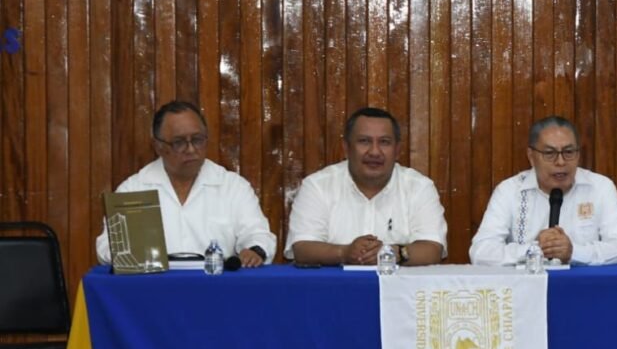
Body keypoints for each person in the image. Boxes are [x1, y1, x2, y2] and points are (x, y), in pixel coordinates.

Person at [95, 100, 276, 267]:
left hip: (217, 289)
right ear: (158, 146)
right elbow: (106, 247)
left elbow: (258, 235)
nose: (191, 149)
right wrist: (132, 254)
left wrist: (254, 251)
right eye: (179, 142)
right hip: (153, 290)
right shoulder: (133, 189)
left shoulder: (233, 186)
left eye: (197, 140)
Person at [285, 107, 447, 266]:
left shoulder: (419, 187)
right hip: (334, 288)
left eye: (384, 142)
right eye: (364, 141)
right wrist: (345, 253)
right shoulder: (318, 185)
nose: (375, 152)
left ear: (397, 150)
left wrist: (391, 253)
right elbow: (302, 248)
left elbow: (433, 249)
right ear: (347, 148)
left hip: (399, 291)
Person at [470, 116, 617, 266]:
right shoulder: (509, 191)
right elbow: (480, 253)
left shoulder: (601, 187)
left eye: (568, 152)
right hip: (528, 291)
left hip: (585, 289)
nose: (560, 162)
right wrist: (534, 249)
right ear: (531, 156)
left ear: (578, 154)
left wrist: (573, 252)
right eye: (549, 153)